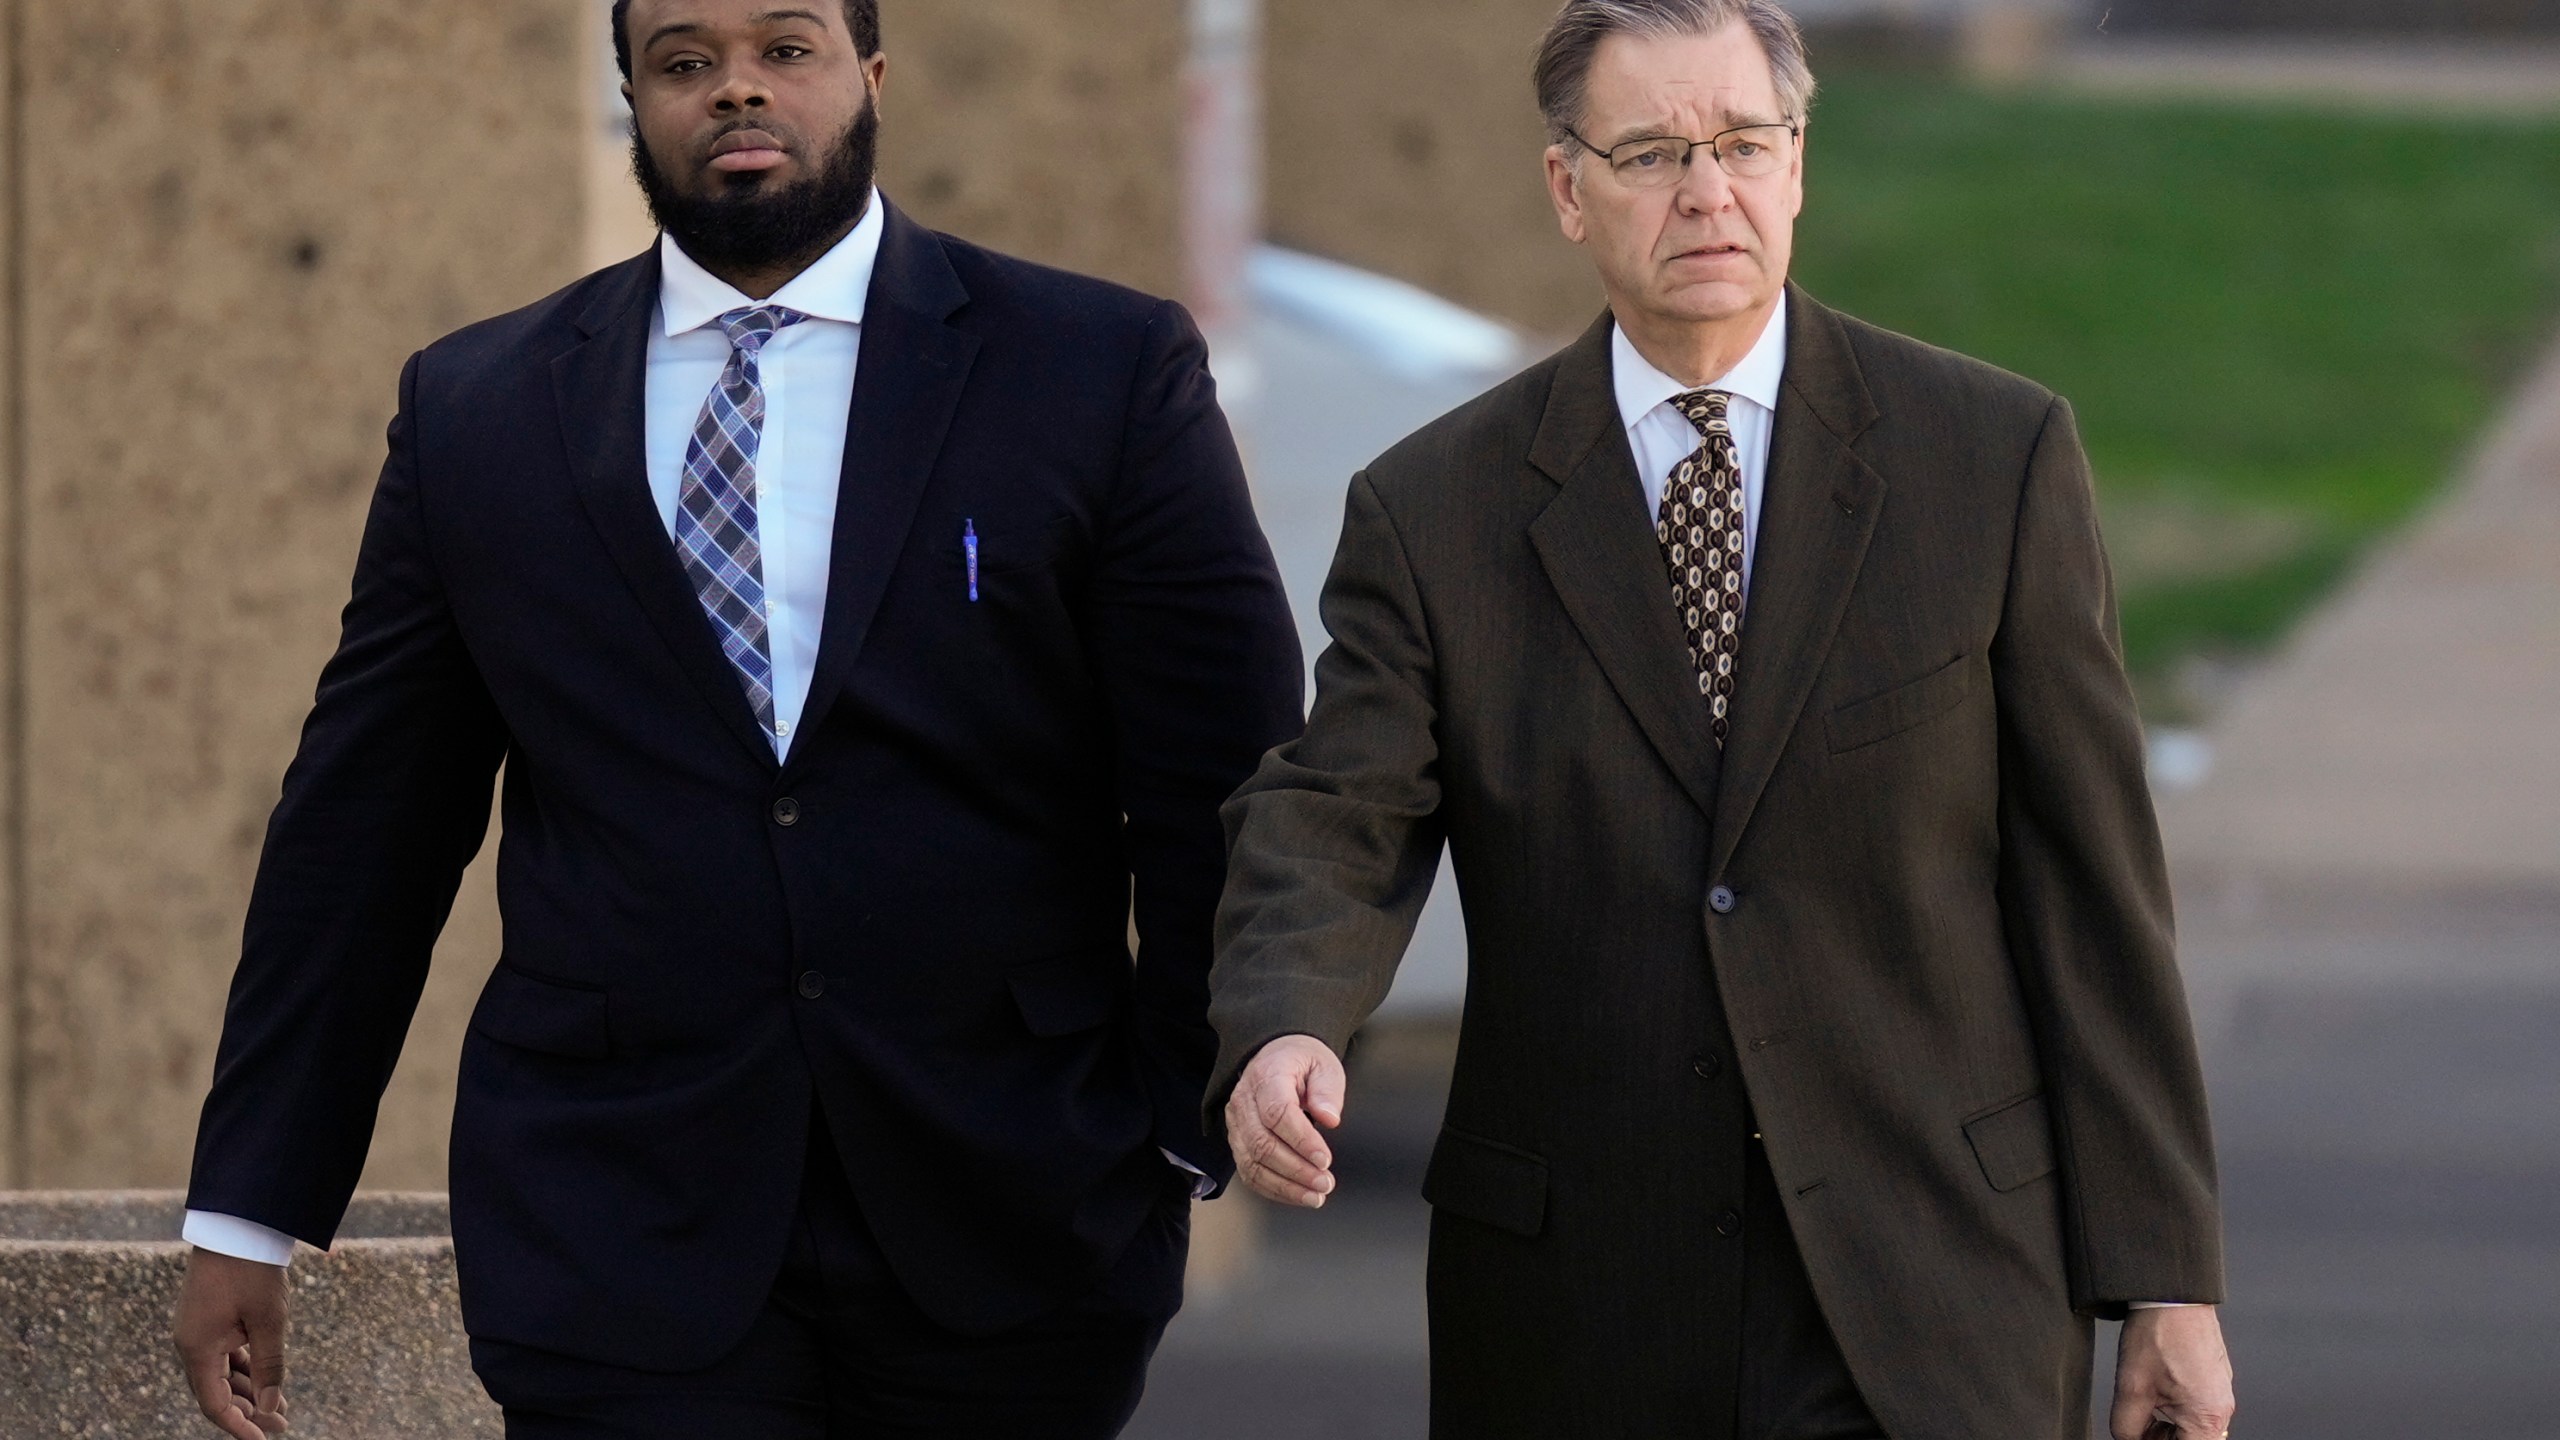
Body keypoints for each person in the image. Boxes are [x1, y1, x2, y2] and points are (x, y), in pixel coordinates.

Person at [169, 1, 1302, 1435]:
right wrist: (250, 1210)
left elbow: (1226, 772)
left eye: (787, 49)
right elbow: (364, 833)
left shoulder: (1093, 367)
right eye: (686, 63)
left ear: (870, 77)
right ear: (629, 100)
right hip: (614, 1227)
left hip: (1010, 1215)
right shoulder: (480, 409)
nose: (737, 92)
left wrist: (1177, 1121)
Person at [1208, 3, 2236, 1437]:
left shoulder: (1989, 463)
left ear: (1799, 163)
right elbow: (1341, 807)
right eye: (1652, 153)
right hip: (1581, 1308)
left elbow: (2095, 896)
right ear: (1568, 189)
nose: (1710, 190)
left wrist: (2169, 1283)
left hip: (1933, 1286)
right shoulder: (1436, 508)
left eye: (1746, 143)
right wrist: (1284, 1023)